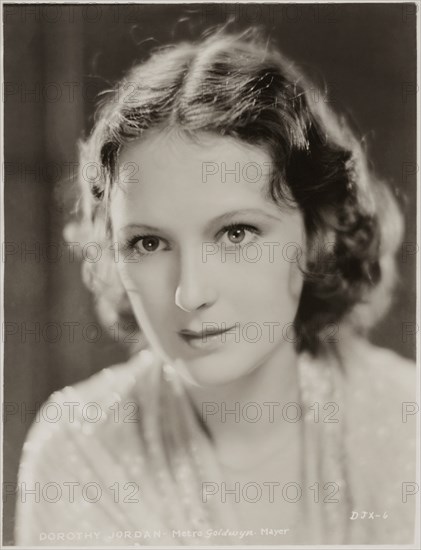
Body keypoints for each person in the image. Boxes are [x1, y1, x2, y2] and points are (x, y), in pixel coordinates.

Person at [15, 27, 416, 546]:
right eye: (149, 243)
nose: (190, 293)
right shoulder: (79, 451)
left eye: (236, 233)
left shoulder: (406, 425)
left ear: (316, 232)